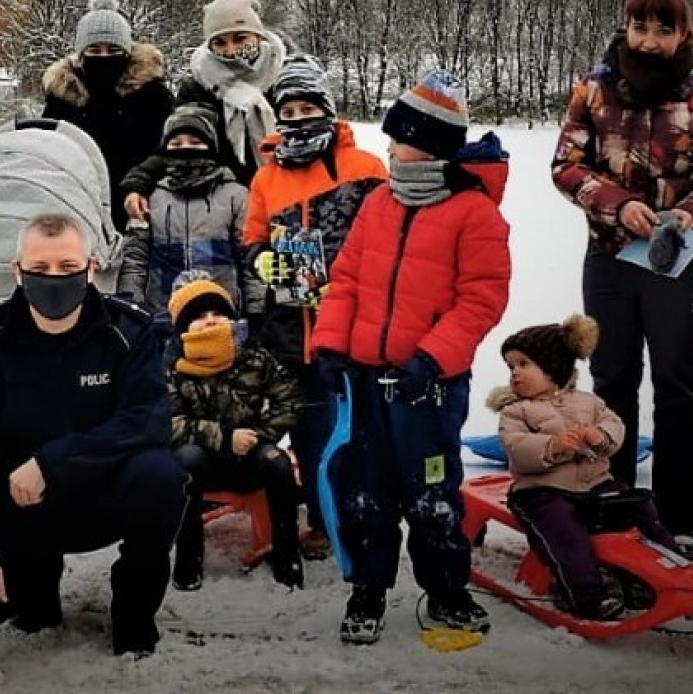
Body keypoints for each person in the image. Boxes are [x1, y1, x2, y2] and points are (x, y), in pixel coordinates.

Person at [0, 214, 184, 657]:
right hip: (22, 509)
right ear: (17, 271)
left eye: (67, 268)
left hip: (102, 496)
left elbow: (149, 421)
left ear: (90, 268)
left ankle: (134, 614)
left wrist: (54, 462)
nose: (54, 280)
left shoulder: (128, 333)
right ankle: (34, 590)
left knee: (163, 475)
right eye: (40, 269)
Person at [312, 69, 511, 644]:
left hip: (428, 385)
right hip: (368, 382)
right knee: (366, 491)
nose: (390, 146)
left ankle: (447, 589)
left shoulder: (474, 214)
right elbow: (346, 278)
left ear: (425, 143)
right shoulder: (379, 202)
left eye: (398, 136)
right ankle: (368, 589)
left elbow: (481, 299)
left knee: (432, 495)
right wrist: (329, 342)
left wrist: (432, 357)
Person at [550, 0, 693, 560]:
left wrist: (690, 210)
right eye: (640, 27)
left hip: (674, 263)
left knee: (678, 386)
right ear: (625, 27)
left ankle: (681, 518)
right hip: (608, 259)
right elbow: (565, 164)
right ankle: (613, 499)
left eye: (663, 29)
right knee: (611, 383)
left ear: (684, 34)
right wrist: (614, 202)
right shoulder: (596, 88)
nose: (649, 40)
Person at [241, 53, 387, 562]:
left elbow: (387, 238)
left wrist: (347, 274)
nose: (299, 118)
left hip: (350, 328)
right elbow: (252, 241)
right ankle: (322, 521)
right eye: (289, 109)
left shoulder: (364, 167)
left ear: (326, 108)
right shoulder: (266, 178)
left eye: (308, 107)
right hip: (288, 329)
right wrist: (275, 267)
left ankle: (360, 518)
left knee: (356, 434)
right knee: (308, 432)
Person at [489, 314, 681, 621]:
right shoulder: (515, 411)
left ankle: (667, 571)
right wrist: (555, 446)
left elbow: (615, 425)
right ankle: (585, 595)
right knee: (565, 534)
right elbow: (516, 448)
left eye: (524, 364)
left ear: (554, 368)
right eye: (512, 366)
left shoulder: (588, 402)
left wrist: (599, 436)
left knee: (641, 507)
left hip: (596, 486)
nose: (515, 374)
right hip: (542, 493)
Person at [166, 271, 305, 591]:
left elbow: (291, 400)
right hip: (203, 464)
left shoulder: (254, 358)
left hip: (250, 458)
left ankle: (287, 558)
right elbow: (168, 423)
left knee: (278, 463)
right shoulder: (171, 367)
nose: (211, 321)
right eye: (200, 316)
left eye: (218, 313)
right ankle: (188, 562)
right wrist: (226, 438)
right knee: (184, 461)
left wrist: (258, 434)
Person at [121, 0, 288, 216]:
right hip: (224, 207)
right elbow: (177, 143)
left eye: (240, 39)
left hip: (287, 197)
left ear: (258, 37)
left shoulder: (285, 80)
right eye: (219, 42)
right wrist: (139, 183)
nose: (230, 51)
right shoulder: (198, 88)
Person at [41, 0, 175, 232]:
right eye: (95, 50)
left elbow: (169, 149)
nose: (104, 57)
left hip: (140, 206)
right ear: (82, 54)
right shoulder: (63, 99)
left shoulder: (153, 96)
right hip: (79, 207)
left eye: (113, 49)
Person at [116, 104, 260, 316]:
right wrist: (131, 306)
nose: (185, 148)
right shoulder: (150, 197)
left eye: (195, 142)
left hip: (220, 313)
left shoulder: (236, 195)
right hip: (162, 314)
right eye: (176, 143)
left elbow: (249, 258)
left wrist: (256, 309)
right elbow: (135, 258)